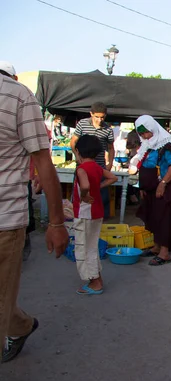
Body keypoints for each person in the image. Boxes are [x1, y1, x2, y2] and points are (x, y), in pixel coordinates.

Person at [0, 62, 69, 363]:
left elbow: (43, 162)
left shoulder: (17, 96)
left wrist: (56, 223)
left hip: (4, 221)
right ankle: (21, 326)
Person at [130, 115, 171, 266]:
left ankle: (164, 253)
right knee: (153, 216)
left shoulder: (166, 144)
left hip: (166, 188)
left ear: (153, 128)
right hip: (151, 188)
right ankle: (156, 247)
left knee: (165, 217)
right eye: (141, 134)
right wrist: (143, 186)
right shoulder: (147, 144)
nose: (145, 136)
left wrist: (163, 183)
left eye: (147, 133)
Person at [72, 135, 117, 294]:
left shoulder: (81, 168)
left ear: (78, 151)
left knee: (84, 247)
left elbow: (84, 184)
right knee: (92, 246)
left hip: (84, 213)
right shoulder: (97, 168)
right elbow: (113, 177)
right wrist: (98, 187)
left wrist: (84, 194)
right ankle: (97, 278)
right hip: (97, 213)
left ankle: (94, 282)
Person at [70, 102, 115, 218]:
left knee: (101, 197)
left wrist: (110, 164)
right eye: (97, 117)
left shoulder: (108, 129)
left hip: (99, 166)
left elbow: (111, 148)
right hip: (83, 164)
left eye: (102, 117)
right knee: (79, 194)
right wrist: (77, 155)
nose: (100, 120)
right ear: (91, 114)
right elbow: (73, 141)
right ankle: (78, 217)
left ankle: (101, 220)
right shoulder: (82, 124)